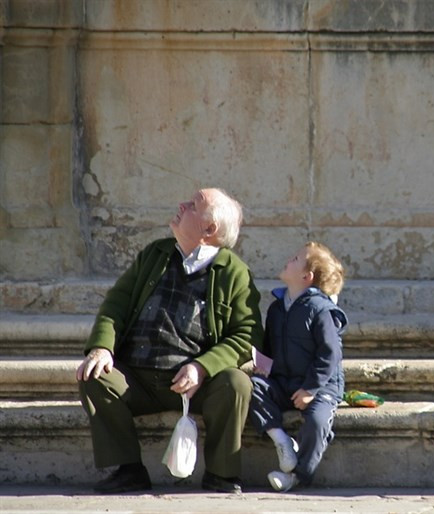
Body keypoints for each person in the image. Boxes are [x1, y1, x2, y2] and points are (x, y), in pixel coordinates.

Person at [76, 188, 264, 494]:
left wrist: (202, 368)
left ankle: (222, 474)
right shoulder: (156, 254)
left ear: (209, 229)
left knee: (236, 384)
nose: (181, 204)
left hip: (196, 386)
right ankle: (129, 470)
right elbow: (116, 304)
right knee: (94, 376)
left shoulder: (235, 272)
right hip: (138, 378)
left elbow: (247, 336)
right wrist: (102, 347)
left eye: (193, 205)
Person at [249, 242, 347, 492]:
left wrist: (311, 388)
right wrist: (264, 366)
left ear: (307, 276)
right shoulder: (276, 308)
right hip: (284, 382)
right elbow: (271, 346)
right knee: (251, 387)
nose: (288, 260)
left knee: (316, 422)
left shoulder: (320, 310)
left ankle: (298, 475)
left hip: (320, 387)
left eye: (294, 259)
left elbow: (330, 353)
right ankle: (282, 441)